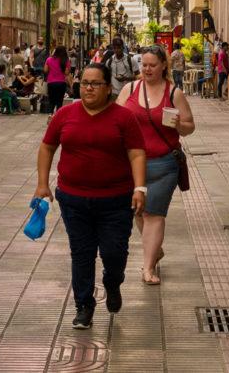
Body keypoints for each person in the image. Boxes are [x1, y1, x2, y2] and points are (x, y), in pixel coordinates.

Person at [34, 63, 147, 330]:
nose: (88, 88)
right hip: (73, 199)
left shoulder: (124, 117)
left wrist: (139, 188)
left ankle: (112, 281)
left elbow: (136, 153)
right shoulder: (65, 114)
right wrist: (42, 184)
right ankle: (84, 306)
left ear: (108, 87)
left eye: (95, 83)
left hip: (116, 200)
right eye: (84, 82)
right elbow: (47, 147)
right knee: (82, 254)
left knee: (114, 252)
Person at [116, 45, 196, 285]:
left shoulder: (174, 94)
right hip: (130, 163)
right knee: (137, 211)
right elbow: (115, 119)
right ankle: (155, 248)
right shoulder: (130, 88)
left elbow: (190, 126)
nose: (147, 69)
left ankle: (148, 267)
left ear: (163, 66)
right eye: (144, 65)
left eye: (152, 65)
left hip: (163, 163)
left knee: (154, 214)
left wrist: (179, 125)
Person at [45, 45, 71, 113]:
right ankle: (58, 116)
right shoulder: (66, 60)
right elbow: (67, 73)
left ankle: (50, 114)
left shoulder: (49, 59)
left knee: (51, 101)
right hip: (61, 83)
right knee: (59, 101)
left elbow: (45, 70)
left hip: (51, 83)